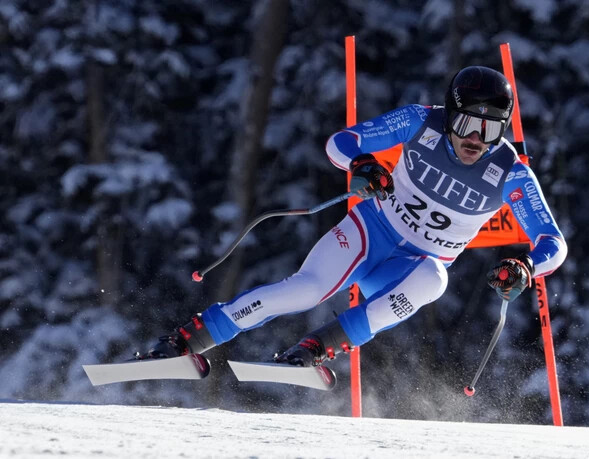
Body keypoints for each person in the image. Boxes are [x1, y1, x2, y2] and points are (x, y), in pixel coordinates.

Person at [146, 66, 567, 368]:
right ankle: (188, 338)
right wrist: (363, 164)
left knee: (435, 280)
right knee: (305, 291)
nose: (477, 138)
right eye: (468, 123)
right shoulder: (421, 121)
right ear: (449, 114)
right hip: (372, 233)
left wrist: (525, 265)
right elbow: (342, 142)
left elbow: (552, 242)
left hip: (407, 268)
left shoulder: (511, 172)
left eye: (491, 129)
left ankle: (314, 348)